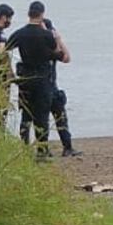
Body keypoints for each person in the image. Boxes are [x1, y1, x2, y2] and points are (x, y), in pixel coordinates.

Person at [6, 1, 65, 159]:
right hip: (42, 78)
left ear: (28, 14)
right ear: (42, 14)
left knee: (26, 114)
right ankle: (42, 150)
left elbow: (5, 48)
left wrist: (9, 70)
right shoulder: (45, 35)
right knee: (42, 115)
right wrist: (57, 38)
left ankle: (24, 148)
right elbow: (57, 52)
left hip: (25, 77)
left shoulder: (20, 33)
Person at [19, 18, 82, 157]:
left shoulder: (50, 46)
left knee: (59, 115)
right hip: (39, 87)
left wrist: (58, 39)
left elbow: (66, 58)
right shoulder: (39, 46)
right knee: (34, 118)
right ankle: (36, 149)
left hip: (50, 87)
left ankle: (66, 146)